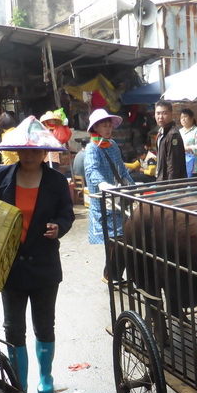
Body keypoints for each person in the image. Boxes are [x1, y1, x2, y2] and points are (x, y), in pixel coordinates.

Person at [0, 117, 75, 393]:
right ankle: (18, 381)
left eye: (37, 150)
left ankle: (45, 376)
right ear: (18, 151)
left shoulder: (57, 181)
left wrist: (59, 227)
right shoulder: (1, 176)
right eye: (26, 149)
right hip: (9, 265)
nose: (31, 155)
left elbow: (67, 215)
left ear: (45, 151)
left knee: (45, 324)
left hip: (45, 267)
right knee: (13, 328)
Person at [83, 108, 135, 280]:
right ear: (95, 128)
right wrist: (103, 184)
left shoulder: (113, 145)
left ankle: (114, 275)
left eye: (109, 125)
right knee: (114, 239)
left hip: (119, 198)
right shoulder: (92, 148)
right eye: (103, 125)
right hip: (103, 201)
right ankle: (110, 275)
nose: (108, 129)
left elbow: (122, 170)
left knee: (123, 239)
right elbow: (91, 170)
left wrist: (133, 187)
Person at [154, 100, 187, 181]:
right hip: (162, 179)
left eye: (164, 113)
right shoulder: (161, 132)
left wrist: (171, 187)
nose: (160, 117)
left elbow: (173, 164)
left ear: (171, 114)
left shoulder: (172, 134)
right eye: (158, 113)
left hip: (170, 183)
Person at [179, 107, 197, 176]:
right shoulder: (179, 132)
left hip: (195, 168)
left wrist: (188, 148)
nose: (183, 119)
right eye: (181, 117)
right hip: (183, 167)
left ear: (191, 118)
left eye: (185, 117)